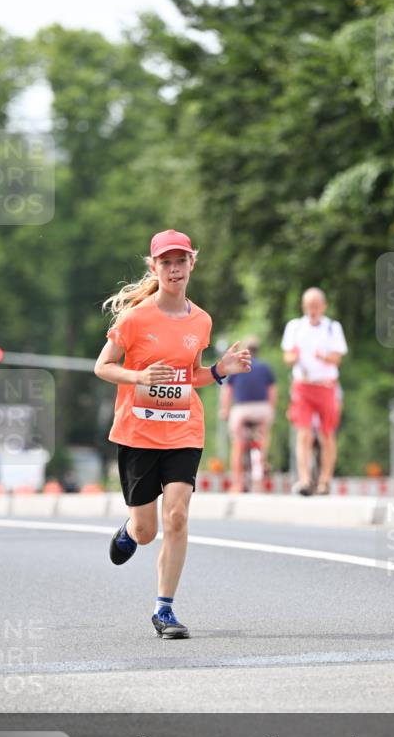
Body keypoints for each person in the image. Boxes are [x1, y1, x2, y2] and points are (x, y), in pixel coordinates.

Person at [94, 229, 251, 640]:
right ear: (154, 268)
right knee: (147, 530)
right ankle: (129, 531)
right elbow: (103, 366)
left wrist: (220, 370)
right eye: (166, 262)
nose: (174, 268)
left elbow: (191, 374)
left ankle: (164, 610)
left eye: (181, 261)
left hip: (184, 428)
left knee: (177, 516)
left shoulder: (201, 320)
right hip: (138, 433)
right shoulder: (135, 318)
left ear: (191, 264)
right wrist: (138, 376)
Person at [281, 287, 347, 495]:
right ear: (304, 307)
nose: (313, 310)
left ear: (323, 307)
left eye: (316, 306)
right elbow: (288, 357)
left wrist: (323, 357)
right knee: (304, 433)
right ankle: (305, 480)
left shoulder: (332, 328)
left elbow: (338, 358)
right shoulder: (295, 327)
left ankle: (325, 480)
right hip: (303, 386)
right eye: (309, 306)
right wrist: (295, 358)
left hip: (326, 386)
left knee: (327, 434)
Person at [219, 336, 277, 492]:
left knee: (238, 444)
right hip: (262, 410)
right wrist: (271, 410)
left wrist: (225, 410)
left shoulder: (238, 367)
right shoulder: (265, 368)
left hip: (242, 410)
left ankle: (237, 484)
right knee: (263, 438)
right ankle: (262, 464)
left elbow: (227, 391)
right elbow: (272, 391)